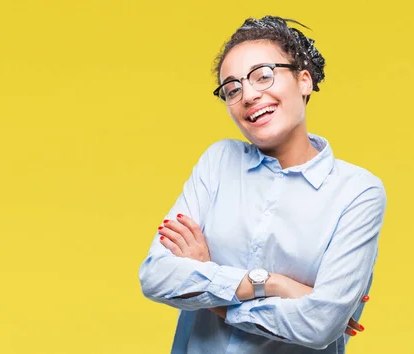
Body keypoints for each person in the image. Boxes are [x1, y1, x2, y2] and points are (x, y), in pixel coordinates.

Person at [139, 15, 387, 354]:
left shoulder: (358, 192)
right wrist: (276, 285)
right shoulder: (219, 162)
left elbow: (319, 326)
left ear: (304, 81)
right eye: (232, 88)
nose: (249, 95)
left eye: (263, 76)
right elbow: (155, 276)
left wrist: (208, 283)